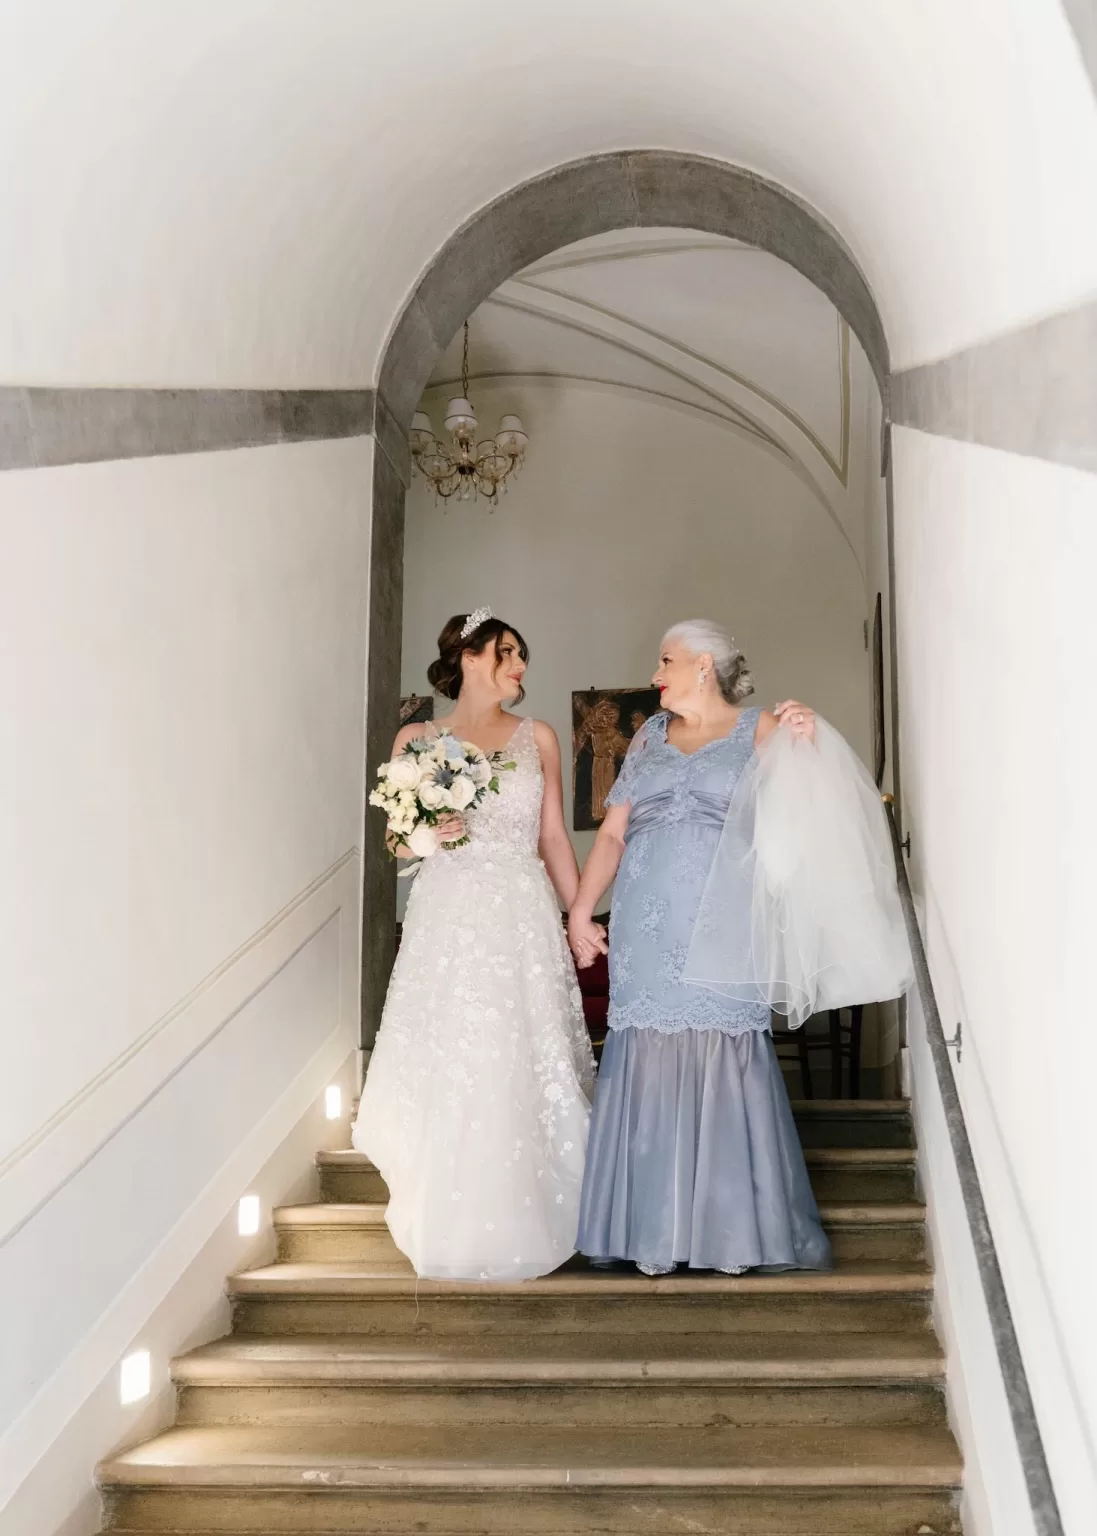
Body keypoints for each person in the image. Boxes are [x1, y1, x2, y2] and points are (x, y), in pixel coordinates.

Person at [567, 619, 833, 1276]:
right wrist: (577, 911)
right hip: (644, 928)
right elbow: (610, 837)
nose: (654, 674)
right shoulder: (647, 738)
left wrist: (811, 743)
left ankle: (731, 1236)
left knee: (726, 1054)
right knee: (645, 1059)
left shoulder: (761, 730)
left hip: (724, 922)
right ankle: (646, 1231)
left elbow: (809, 814)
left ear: (704, 667)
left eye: (664, 660)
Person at [352, 609, 595, 1282]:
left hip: (519, 913)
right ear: (468, 656)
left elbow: (551, 838)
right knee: (456, 1052)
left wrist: (579, 916)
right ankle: (449, 1206)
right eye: (508, 651)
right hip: (448, 914)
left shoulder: (537, 736)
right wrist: (436, 831)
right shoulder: (416, 737)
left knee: (518, 1047)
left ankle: (534, 1202)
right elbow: (398, 841)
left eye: (521, 653)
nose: (520, 665)